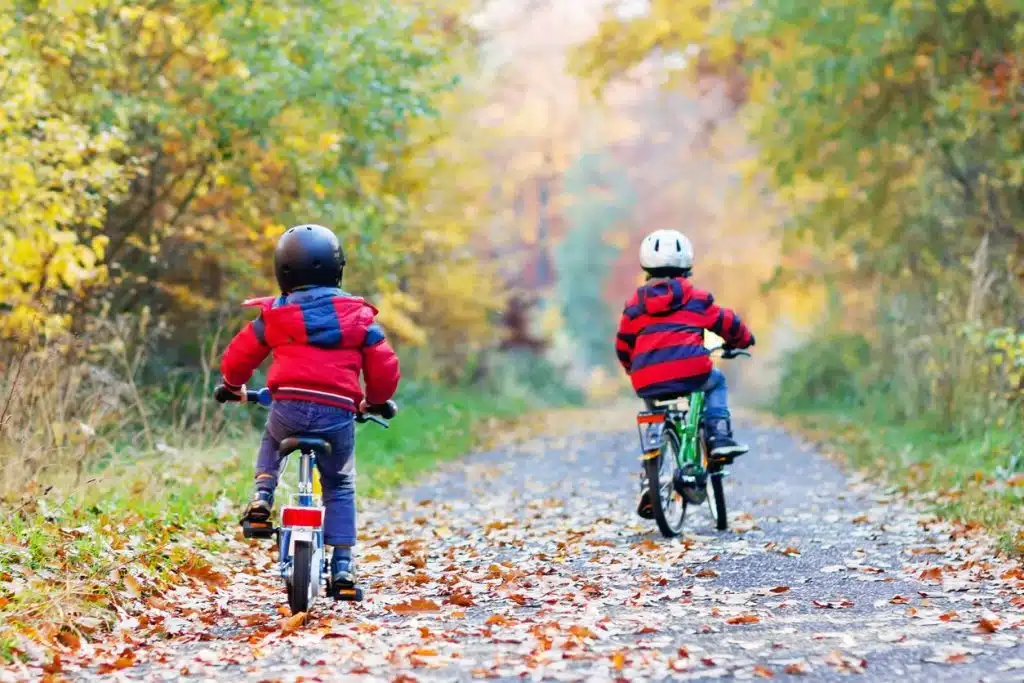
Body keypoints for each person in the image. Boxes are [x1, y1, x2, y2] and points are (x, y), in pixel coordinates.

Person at [217, 224, 400, 593]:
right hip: (337, 414)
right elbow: (384, 366)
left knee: (271, 437)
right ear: (338, 268)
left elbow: (238, 357)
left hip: (288, 408)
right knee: (339, 482)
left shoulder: (274, 316)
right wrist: (376, 400)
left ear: (282, 270)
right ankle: (344, 566)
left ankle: (262, 496)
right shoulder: (358, 317)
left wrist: (234, 386)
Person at [615, 229, 755, 514]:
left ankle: (649, 481)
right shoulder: (695, 298)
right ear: (686, 267)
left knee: (653, 418)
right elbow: (725, 322)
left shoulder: (633, 306)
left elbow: (623, 345)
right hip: (691, 369)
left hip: (646, 378)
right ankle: (718, 438)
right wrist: (742, 339)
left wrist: (634, 369)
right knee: (716, 382)